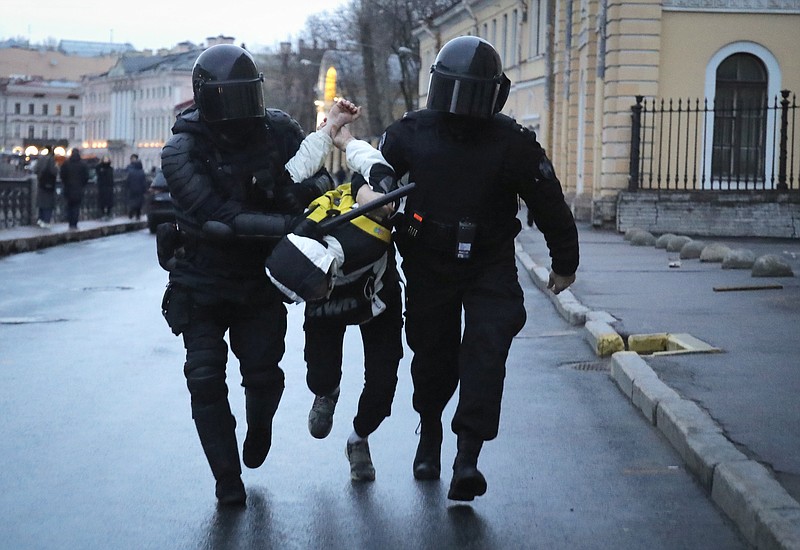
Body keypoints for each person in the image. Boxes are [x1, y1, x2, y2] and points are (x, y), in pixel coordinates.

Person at [339, 35, 579, 502]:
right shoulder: (410, 132)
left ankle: (467, 456)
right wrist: (369, 200)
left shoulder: (512, 142)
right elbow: (368, 177)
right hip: (429, 259)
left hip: (489, 261)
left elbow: (548, 201)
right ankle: (430, 434)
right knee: (434, 355)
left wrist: (565, 261)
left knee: (487, 350)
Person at [158, 43, 358, 506]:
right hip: (202, 277)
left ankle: (260, 427)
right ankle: (226, 478)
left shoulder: (279, 130)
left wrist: (319, 200)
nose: (239, 111)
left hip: (261, 278)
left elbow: (312, 182)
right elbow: (219, 218)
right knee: (205, 378)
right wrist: (291, 225)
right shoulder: (182, 149)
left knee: (264, 373)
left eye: (245, 97)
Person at [299, 170, 404, 482]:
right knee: (320, 376)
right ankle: (326, 391)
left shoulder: (385, 210)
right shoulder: (313, 222)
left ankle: (358, 440)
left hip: (378, 300)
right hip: (326, 299)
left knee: (383, 385)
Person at [59, 148, 90, 230]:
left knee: (69, 206)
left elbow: (62, 175)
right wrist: (82, 185)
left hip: (68, 188)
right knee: (76, 207)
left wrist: (66, 183)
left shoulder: (66, 164)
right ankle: (74, 224)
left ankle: (70, 223)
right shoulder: (83, 165)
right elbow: (86, 177)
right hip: (79, 189)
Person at [34, 149, 58, 228]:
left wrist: (40, 175)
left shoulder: (40, 160)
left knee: (41, 203)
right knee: (48, 204)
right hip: (49, 185)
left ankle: (40, 219)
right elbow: (54, 171)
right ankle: (46, 221)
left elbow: (35, 170)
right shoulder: (52, 160)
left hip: (41, 184)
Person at [125, 154, 147, 220]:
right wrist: (144, 190)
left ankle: (131, 212)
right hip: (140, 190)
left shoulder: (131, 172)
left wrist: (127, 188)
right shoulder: (142, 172)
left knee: (132, 202)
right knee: (139, 203)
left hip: (132, 190)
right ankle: (138, 215)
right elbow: (144, 182)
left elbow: (127, 181)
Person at [96, 156, 114, 220]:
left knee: (109, 202)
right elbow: (97, 169)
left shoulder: (110, 168)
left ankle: (108, 214)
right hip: (102, 188)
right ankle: (103, 214)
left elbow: (111, 178)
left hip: (109, 188)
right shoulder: (100, 168)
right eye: (104, 159)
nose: (106, 161)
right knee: (102, 202)